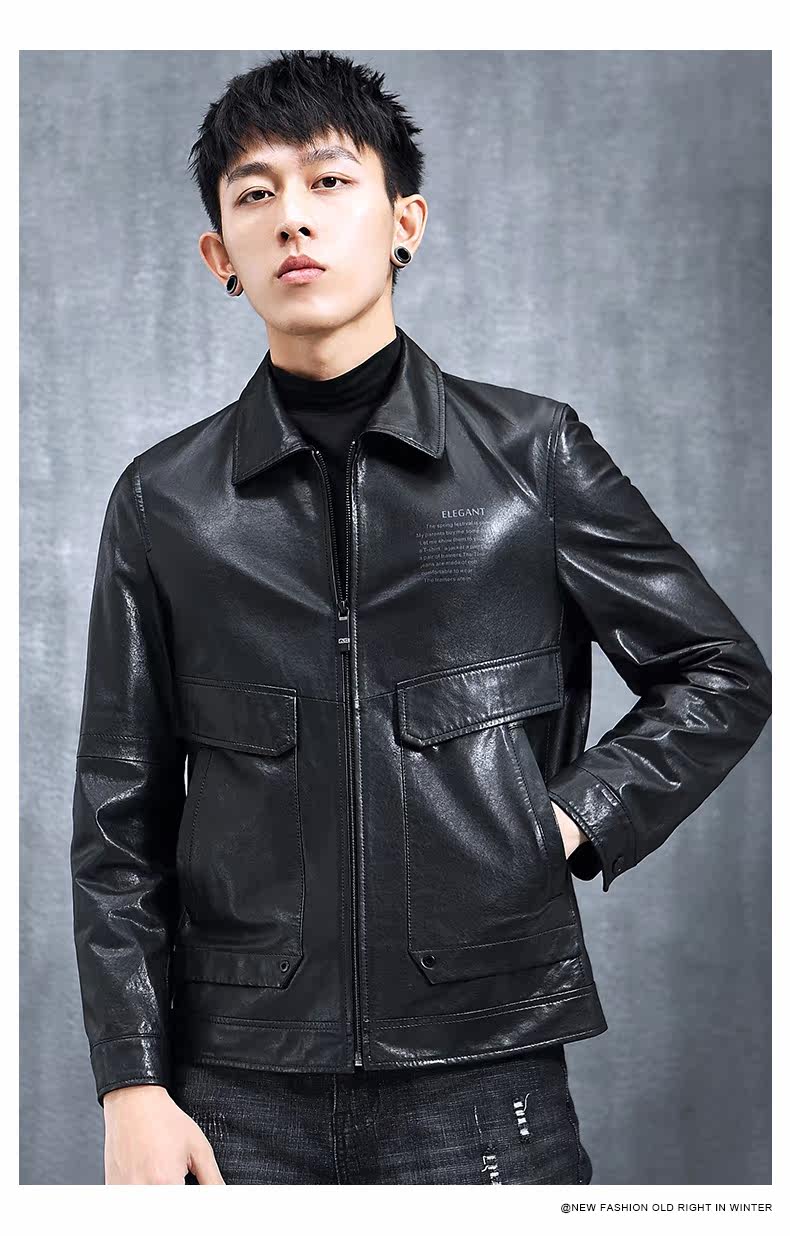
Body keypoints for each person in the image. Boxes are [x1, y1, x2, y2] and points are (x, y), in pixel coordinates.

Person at [70, 50, 772, 1186]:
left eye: (328, 182)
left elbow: (719, 670)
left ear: (405, 222)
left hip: (484, 1072)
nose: (293, 218)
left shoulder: (531, 455)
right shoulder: (165, 502)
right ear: (220, 256)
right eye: (255, 194)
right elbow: (118, 816)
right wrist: (131, 1081)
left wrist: (563, 820)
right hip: (236, 1085)